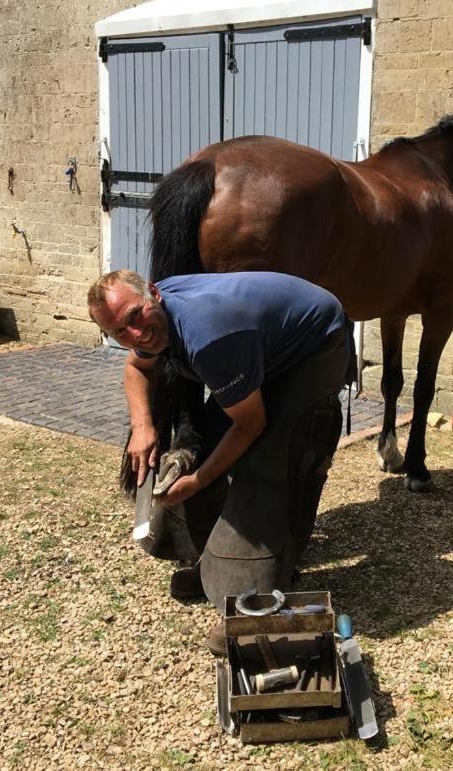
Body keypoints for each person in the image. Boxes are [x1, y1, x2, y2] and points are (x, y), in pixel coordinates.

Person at [87, 269, 350, 654]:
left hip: (316, 344)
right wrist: (143, 426)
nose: (135, 335)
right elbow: (136, 367)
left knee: (270, 461)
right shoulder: (149, 320)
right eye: (119, 333)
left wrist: (200, 481)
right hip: (259, 343)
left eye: (134, 317)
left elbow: (250, 424)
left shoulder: (210, 337)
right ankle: (216, 566)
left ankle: (254, 603)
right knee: (202, 444)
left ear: (155, 295)